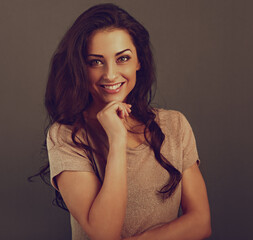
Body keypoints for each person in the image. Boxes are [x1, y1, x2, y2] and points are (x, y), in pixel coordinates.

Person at [41, 3, 211, 240]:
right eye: (95, 62)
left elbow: (201, 222)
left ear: (138, 61)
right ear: (81, 67)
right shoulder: (66, 135)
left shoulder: (174, 124)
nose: (110, 74)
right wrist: (117, 139)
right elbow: (104, 233)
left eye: (122, 58)